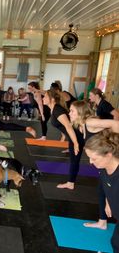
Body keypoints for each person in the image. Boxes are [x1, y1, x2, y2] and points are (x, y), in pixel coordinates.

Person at [65, 100, 119, 228]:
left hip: (108, 158)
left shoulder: (90, 122)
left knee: (108, 189)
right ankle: (102, 221)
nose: (69, 113)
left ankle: (103, 221)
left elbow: (116, 123)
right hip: (101, 160)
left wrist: (117, 144)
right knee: (102, 189)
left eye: (72, 111)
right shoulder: (81, 125)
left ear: (80, 112)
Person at [84, 130, 119, 253]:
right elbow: (107, 187)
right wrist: (108, 202)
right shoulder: (104, 169)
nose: (90, 162)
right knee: (115, 243)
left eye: (94, 158)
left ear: (109, 155)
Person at [43, 90, 80, 177]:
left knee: (74, 161)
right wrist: (63, 136)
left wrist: (75, 143)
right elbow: (62, 125)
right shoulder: (54, 109)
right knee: (74, 161)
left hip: (76, 137)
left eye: (45, 96)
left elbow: (68, 126)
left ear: (52, 99)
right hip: (72, 137)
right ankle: (71, 182)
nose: (43, 98)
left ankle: (71, 183)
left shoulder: (57, 110)